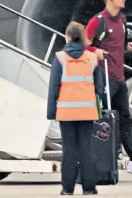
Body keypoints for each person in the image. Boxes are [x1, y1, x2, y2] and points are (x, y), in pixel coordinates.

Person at [85, 0, 132, 177]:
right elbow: (83, 45)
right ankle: (106, 157)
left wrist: (127, 44)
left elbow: (118, 42)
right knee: (104, 118)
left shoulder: (122, 19)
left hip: (119, 77)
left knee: (124, 118)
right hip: (103, 76)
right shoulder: (96, 21)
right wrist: (94, 51)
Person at [47, 21, 103, 195]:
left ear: (68, 36)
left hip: (66, 112)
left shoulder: (60, 58)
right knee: (86, 149)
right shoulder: (92, 58)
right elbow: (99, 88)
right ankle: (89, 188)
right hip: (87, 111)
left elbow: (54, 87)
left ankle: (67, 188)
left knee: (69, 150)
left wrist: (51, 112)